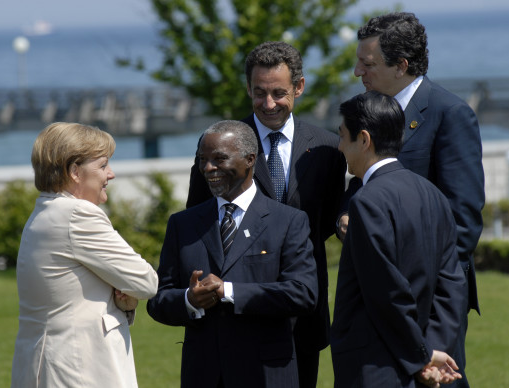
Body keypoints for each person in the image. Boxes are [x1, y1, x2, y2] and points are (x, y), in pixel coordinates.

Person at [186, 41, 346, 388]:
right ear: (248, 89)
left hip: (302, 311)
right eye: (259, 93)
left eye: (279, 92)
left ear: (299, 88)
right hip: (233, 313)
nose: (269, 103)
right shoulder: (219, 146)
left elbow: (330, 219)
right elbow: (198, 219)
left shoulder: (327, 149)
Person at [337, 12, 485, 386]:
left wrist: (433, 333)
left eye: (367, 63)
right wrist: (345, 217)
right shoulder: (368, 111)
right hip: (374, 304)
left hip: (432, 303)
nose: (357, 72)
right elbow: (363, 182)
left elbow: (462, 222)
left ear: (401, 65)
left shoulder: (450, 114)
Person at [147, 120, 319, 387]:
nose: (208, 168)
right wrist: (189, 300)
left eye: (219, 159)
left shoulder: (288, 221)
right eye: (202, 159)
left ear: (250, 159)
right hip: (204, 374)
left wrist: (228, 292)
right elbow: (158, 300)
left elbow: (303, 293)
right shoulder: (183, 224)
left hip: (266, 374)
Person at [331, 91, 467, 388]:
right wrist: (434, 349)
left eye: (342, 136)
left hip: (377, 365)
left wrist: (422, 356)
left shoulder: (366, 201)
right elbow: (453, 283)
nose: (339, 147)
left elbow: (386, 291)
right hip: (423, 360)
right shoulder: (433, 194)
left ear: (364, 139)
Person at [11, 122, 158, 388]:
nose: (110, 174)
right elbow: (146, 282)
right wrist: (126, 291)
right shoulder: (78, 215)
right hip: (78, 369)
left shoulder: (43, 213)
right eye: (103, 165)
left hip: (45, 364)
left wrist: (124, 298)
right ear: (75, 172)